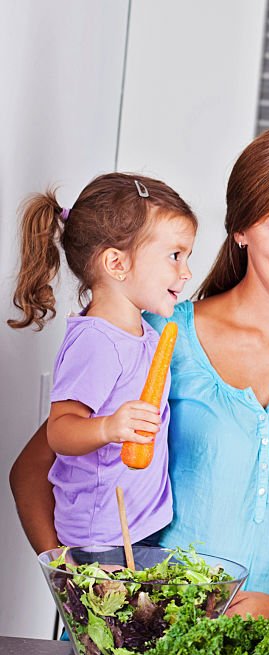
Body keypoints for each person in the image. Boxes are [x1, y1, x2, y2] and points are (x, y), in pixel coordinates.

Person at [10, 127, 269, 629]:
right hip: (144, 647)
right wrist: (79, 598)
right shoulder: (158, 338)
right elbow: (33, 470)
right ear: (241, 229)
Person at [8, 173, 196, 547]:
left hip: (134, 530)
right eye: (175, 256)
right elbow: (60, 430)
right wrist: (109, 428)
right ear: (117, 263)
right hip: (99, 539)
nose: (186, 272)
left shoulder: (144, 333)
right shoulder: (96, 341)